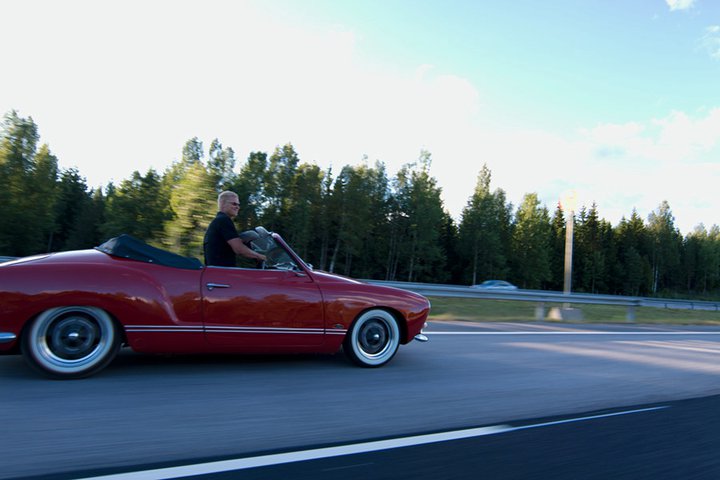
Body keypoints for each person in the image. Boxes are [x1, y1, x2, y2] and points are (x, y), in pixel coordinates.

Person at [203, 191, 266, 267]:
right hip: (222, 273)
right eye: (234, 204)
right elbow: (239, 249)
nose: (237, 207)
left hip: (216, 272)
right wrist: (261, 257)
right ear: (223, 204)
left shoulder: (218, 221)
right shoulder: (224, 220)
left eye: (238, 205)